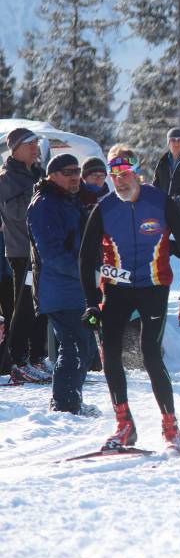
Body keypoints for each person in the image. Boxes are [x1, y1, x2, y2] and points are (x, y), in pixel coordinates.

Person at [79, 148, 180, 453]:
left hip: (153, 287)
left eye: (125, 175)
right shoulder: (104, 208)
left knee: (150, 353)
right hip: (117, 290)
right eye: (114, 176)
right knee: (110, 351)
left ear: (137, 173)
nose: (119, 182)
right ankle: (124, 424)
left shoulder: (159, 202)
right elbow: (85, 257)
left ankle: (170, 426)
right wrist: (92, 302)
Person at [26, 154, 98, 416]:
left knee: (84, 346)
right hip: (57, 287)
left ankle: (71, 400)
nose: (75, 176)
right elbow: (52, 253)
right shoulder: (45, 204)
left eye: (77, 171)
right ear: (52, 174)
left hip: (73, 288)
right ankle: (64, 405)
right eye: (68, 172)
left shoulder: (67, 200)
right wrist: (87, 274)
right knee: (75, 345)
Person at [0, 127, 50, 384]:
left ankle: (38, 356)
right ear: (16, 148)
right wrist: (39, 195)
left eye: (36, 143)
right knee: (24, 306)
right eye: (30, 143)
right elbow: (14, 214)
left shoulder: (38, 173)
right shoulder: (6, 178)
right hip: (21, 253)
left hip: (42, 251)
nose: (35, 147)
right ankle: (19, 361)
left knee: (42, 305)